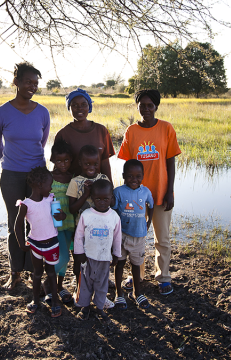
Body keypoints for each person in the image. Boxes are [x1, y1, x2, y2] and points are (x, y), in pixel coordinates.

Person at [0, 62, 50, 290]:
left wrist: (35, 168)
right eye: (28, 82)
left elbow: (41, 143)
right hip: (12, 176)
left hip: (37, 176)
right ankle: (15, 273)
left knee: (38, 223)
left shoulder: (42, 112)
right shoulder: (1, 113)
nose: (32, 86)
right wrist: (7, 162)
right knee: (15, 223)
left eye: (35, 83)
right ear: (16, 82)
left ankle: (36, 272)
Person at [117, 89, 181, 296]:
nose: (145, 109)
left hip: (160, 192)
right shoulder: (131, 131)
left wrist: (170, 191)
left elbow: (170, 161)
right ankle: (138, 274)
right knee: (136, 236)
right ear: (137, 107)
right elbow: (127, 166)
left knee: (162, 238)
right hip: (136, 195)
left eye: (149, 105)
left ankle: (163, 277)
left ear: (156, 107)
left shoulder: (166, 128)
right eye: (141, 105)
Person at [15, 166, 66, 317]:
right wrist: (21, 242)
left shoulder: (50, 199)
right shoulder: (26, 205)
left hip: (52, 243)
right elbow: (17, 224)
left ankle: (55, 301)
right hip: (35, 244)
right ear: (39, 185)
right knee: (37, 273)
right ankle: (36, 300)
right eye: (49, 185)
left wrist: (61, 216)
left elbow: (60, 216)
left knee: (51, 273)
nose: (51, 188)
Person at [73, 177, 122, 320]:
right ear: (92, 198)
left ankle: (100, 307)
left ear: (111, 198)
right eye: (98, 199)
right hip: (88, 257)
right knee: (86, 284)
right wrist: (79, 253)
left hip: (105, 258)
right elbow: (79, 235)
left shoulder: (114, 217)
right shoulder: (86, 215)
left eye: (105, 199)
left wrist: (116, 254)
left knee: (102, 284)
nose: (102, 202)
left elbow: (117, 237)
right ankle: (85, 306)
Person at [112, 159, 154, 309]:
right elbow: (114, 211)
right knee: (120, 263)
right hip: (121, 235)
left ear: (143, 176)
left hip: (139, 236)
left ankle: (137, 292)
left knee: (136, 264)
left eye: (138, 176)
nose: (134, 179)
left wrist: (148, 222)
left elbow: (151, 205)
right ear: (123, 175)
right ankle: (118, 293)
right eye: (130, 176)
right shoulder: (118, 192)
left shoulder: (146, 191)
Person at [54, 88, 115, 180]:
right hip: (70, 188)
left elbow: (105, 162)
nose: (80, 108)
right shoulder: (62, 134)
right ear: (69, 108)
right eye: (74, 105)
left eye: (84, 104)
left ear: (89, 107)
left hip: (96, 188)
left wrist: (109, 187)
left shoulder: (101, 131)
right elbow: (57, 165)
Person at [49, 140, 76, 303]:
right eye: (59, 160)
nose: (63, 164)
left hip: (70, 223)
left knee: (66, 256)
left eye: (66, 160)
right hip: (55, 225)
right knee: (62, 257)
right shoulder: (49, 177)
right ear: (53, 160)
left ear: (71, 160)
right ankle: (48, 284)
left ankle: (59, 287)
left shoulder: (73, 178)